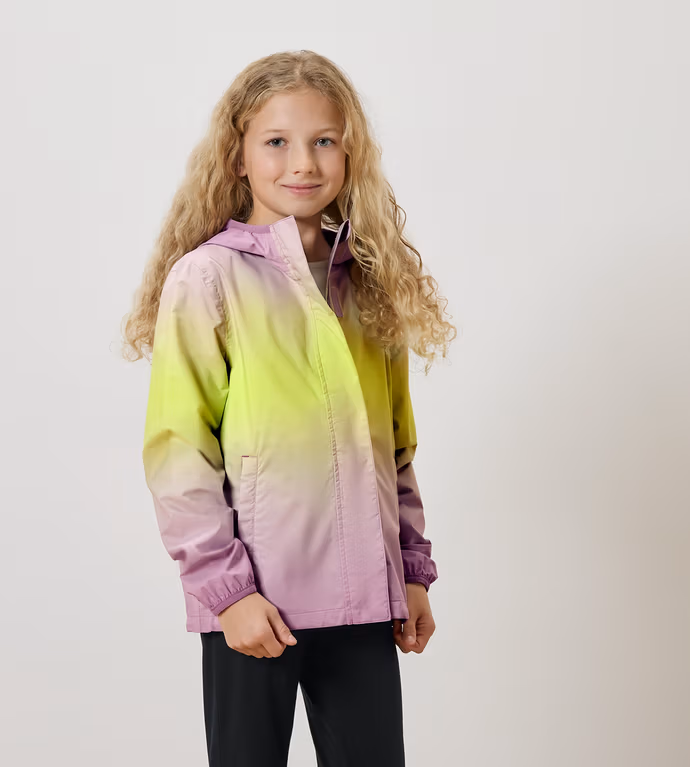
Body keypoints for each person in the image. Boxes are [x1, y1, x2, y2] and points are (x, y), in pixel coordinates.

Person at [122, 49, 457, 767]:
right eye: (276, 141)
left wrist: (411, 569)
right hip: (256, 606)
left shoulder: (367, 284)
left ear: (350, 153)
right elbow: (180, 454)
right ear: (238, 157)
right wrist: (226, 591)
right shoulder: (208, 278)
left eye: (324, 140)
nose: (302, 162)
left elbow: (394, 448)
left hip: (365, 601)